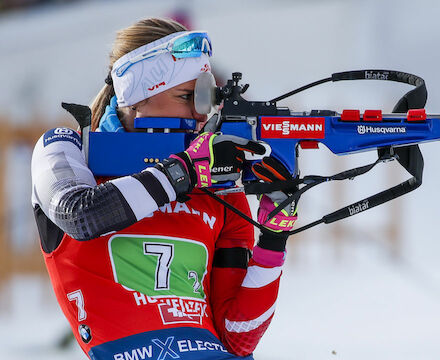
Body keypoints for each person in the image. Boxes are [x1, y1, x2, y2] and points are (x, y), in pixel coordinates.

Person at [31, 18, 297, 360]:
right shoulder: (67, 148)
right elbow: (81, 214)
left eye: (206, 99)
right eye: (187, 96)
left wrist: (275, 239)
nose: (201, 114)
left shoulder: (218, 187)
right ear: (134, 94)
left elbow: (238, 338)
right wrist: (181, 171)